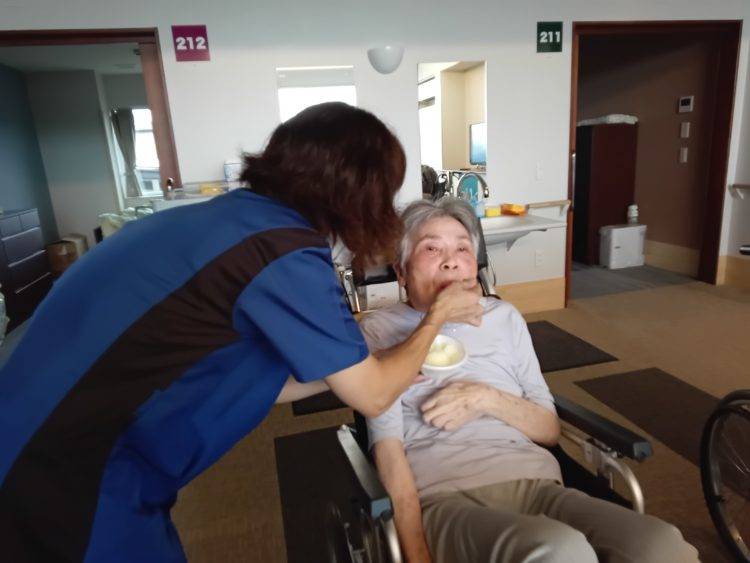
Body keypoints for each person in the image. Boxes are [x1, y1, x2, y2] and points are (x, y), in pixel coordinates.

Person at [0, 103, 482, 562]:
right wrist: (435, 318)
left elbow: (258, 380)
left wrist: (375, 361)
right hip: (71, 468)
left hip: (41, 432)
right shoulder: (282, 250)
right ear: (361, 193)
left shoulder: (233, 221)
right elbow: (374, 396)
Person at [362, 197, 699, 563]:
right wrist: (416, 554)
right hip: (442, 495)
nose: (450, 260)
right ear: (401, 272)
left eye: (462, 248)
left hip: (537, 484)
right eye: (432, 248)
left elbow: (548, 430)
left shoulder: (504, 317)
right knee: (559, 550)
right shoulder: (380, 332)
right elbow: (387, 452)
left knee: (662, 544)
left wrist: (484, 397)